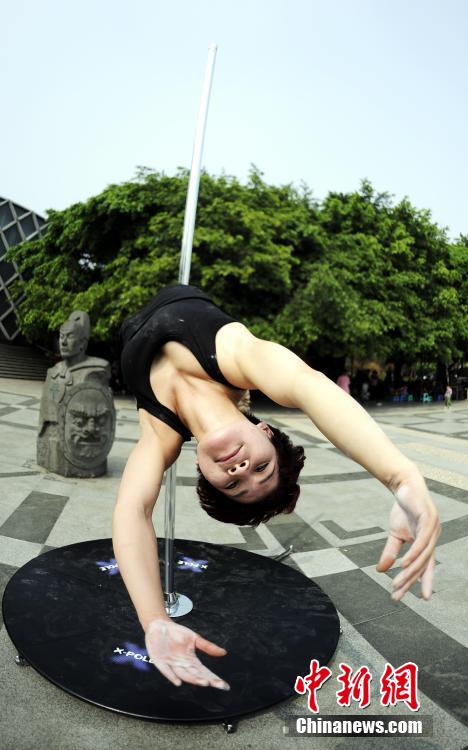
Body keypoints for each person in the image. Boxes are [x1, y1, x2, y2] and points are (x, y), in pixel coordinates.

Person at [113, 284, 440, 691]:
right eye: (263, 467)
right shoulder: (236, 357)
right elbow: (308, 384)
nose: (243, 469)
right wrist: (400, 477)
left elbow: (133, 512)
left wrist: (154, 621)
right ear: (264, 430)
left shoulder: (159, 435)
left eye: (233, 484)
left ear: (202, 469)